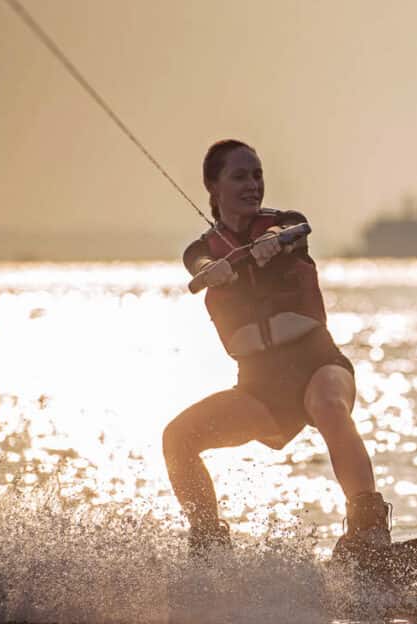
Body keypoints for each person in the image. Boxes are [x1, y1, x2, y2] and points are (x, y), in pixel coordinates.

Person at [163, 139, 391, 568]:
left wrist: (269, 242)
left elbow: (286, 232)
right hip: (260, 388)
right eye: (239, 176)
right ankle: (210, 552)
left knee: (327, 405)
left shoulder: (287, 225)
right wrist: (213, 271)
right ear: (213, 186)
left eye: (257, 175)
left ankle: (369, 534)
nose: (252, 184)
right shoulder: (201, 252)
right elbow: (194, 264)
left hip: (318, 364)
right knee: (178, 439)